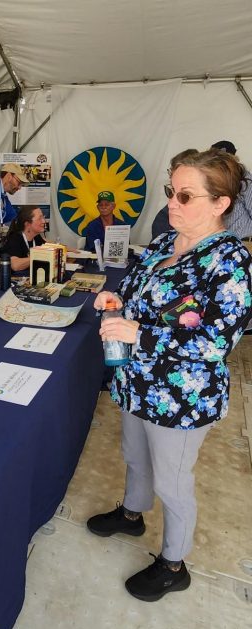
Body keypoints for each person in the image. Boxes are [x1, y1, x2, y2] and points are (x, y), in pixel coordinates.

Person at [87, 149, 252, 602]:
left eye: (185, 195)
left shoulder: (230, 262)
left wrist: (139, 333)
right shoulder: (164, 242)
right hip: (136, 383)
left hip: (181, 399)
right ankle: (132, 514)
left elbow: (216, 342)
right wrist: (114, 300)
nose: (171, 205)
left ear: (220, 204)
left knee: (173, 482)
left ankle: (173, 563)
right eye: (169, 192)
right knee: (134, 456)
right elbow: (134, 290)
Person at [0, 206, 47, 276]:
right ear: (27, 224)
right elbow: (15, 265)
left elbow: (51, 246)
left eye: (43, 217)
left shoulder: (36, 237)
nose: (44, 221)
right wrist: (39, 256)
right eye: (39, 218)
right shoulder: (14, 239)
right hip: (8, 282)